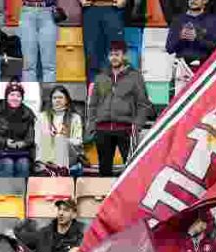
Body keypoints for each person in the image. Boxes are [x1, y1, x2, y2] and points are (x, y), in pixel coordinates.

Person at [86, 41, 152, 177]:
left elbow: (143, 104)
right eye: (111, 54)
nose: (114, 57)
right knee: (104, 170)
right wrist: (93, 125)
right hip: (102, 130)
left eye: (117, 54)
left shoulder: (135, 76)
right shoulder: (101, 77)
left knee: (131, 170)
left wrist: (136, 126)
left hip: (126, 129)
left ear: (124, 56)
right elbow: (93, 104)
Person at [0, 81, 36, 178]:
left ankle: (21, 192)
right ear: (6, 96)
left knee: (23, 165)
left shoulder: (28, 113)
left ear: (22, 98)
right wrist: (6, 142)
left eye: (18, 96)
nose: (15, 98)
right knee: (8, 163)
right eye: (12, 95)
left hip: (20, 153)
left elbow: (30, 138)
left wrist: (23, 143)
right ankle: (6, 192)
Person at [35, 88, 84, 176]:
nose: (57, 100)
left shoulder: (75, 117)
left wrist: (64, 139)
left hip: (69, 155)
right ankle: (51, 168)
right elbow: (37, 140)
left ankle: (60, 170)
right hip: (47, 154)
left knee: (60, 140)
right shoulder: (42, 117)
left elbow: (78, 141)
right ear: (51, 100)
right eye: (54, 98)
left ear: (66, 100)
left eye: (60, 97)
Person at [82, 0, 127, 83]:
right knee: (91, 55)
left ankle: (117, 92)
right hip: (91, 9)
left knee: (115, 53)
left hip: (113, 9)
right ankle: (93, 93)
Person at [166, 0, 216, 65]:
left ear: (205, 1)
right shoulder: (178, 20)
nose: (193, 0)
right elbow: (169, 49)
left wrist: (197, 38)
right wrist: (180, 38)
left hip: (204, 66)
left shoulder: (213, 20)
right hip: (182, 66)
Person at [18, 0, 58, 82]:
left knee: (49, 66)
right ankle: (29, 93)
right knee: (28, 65)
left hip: (48, 11)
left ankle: (48, 92)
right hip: (27, 10)